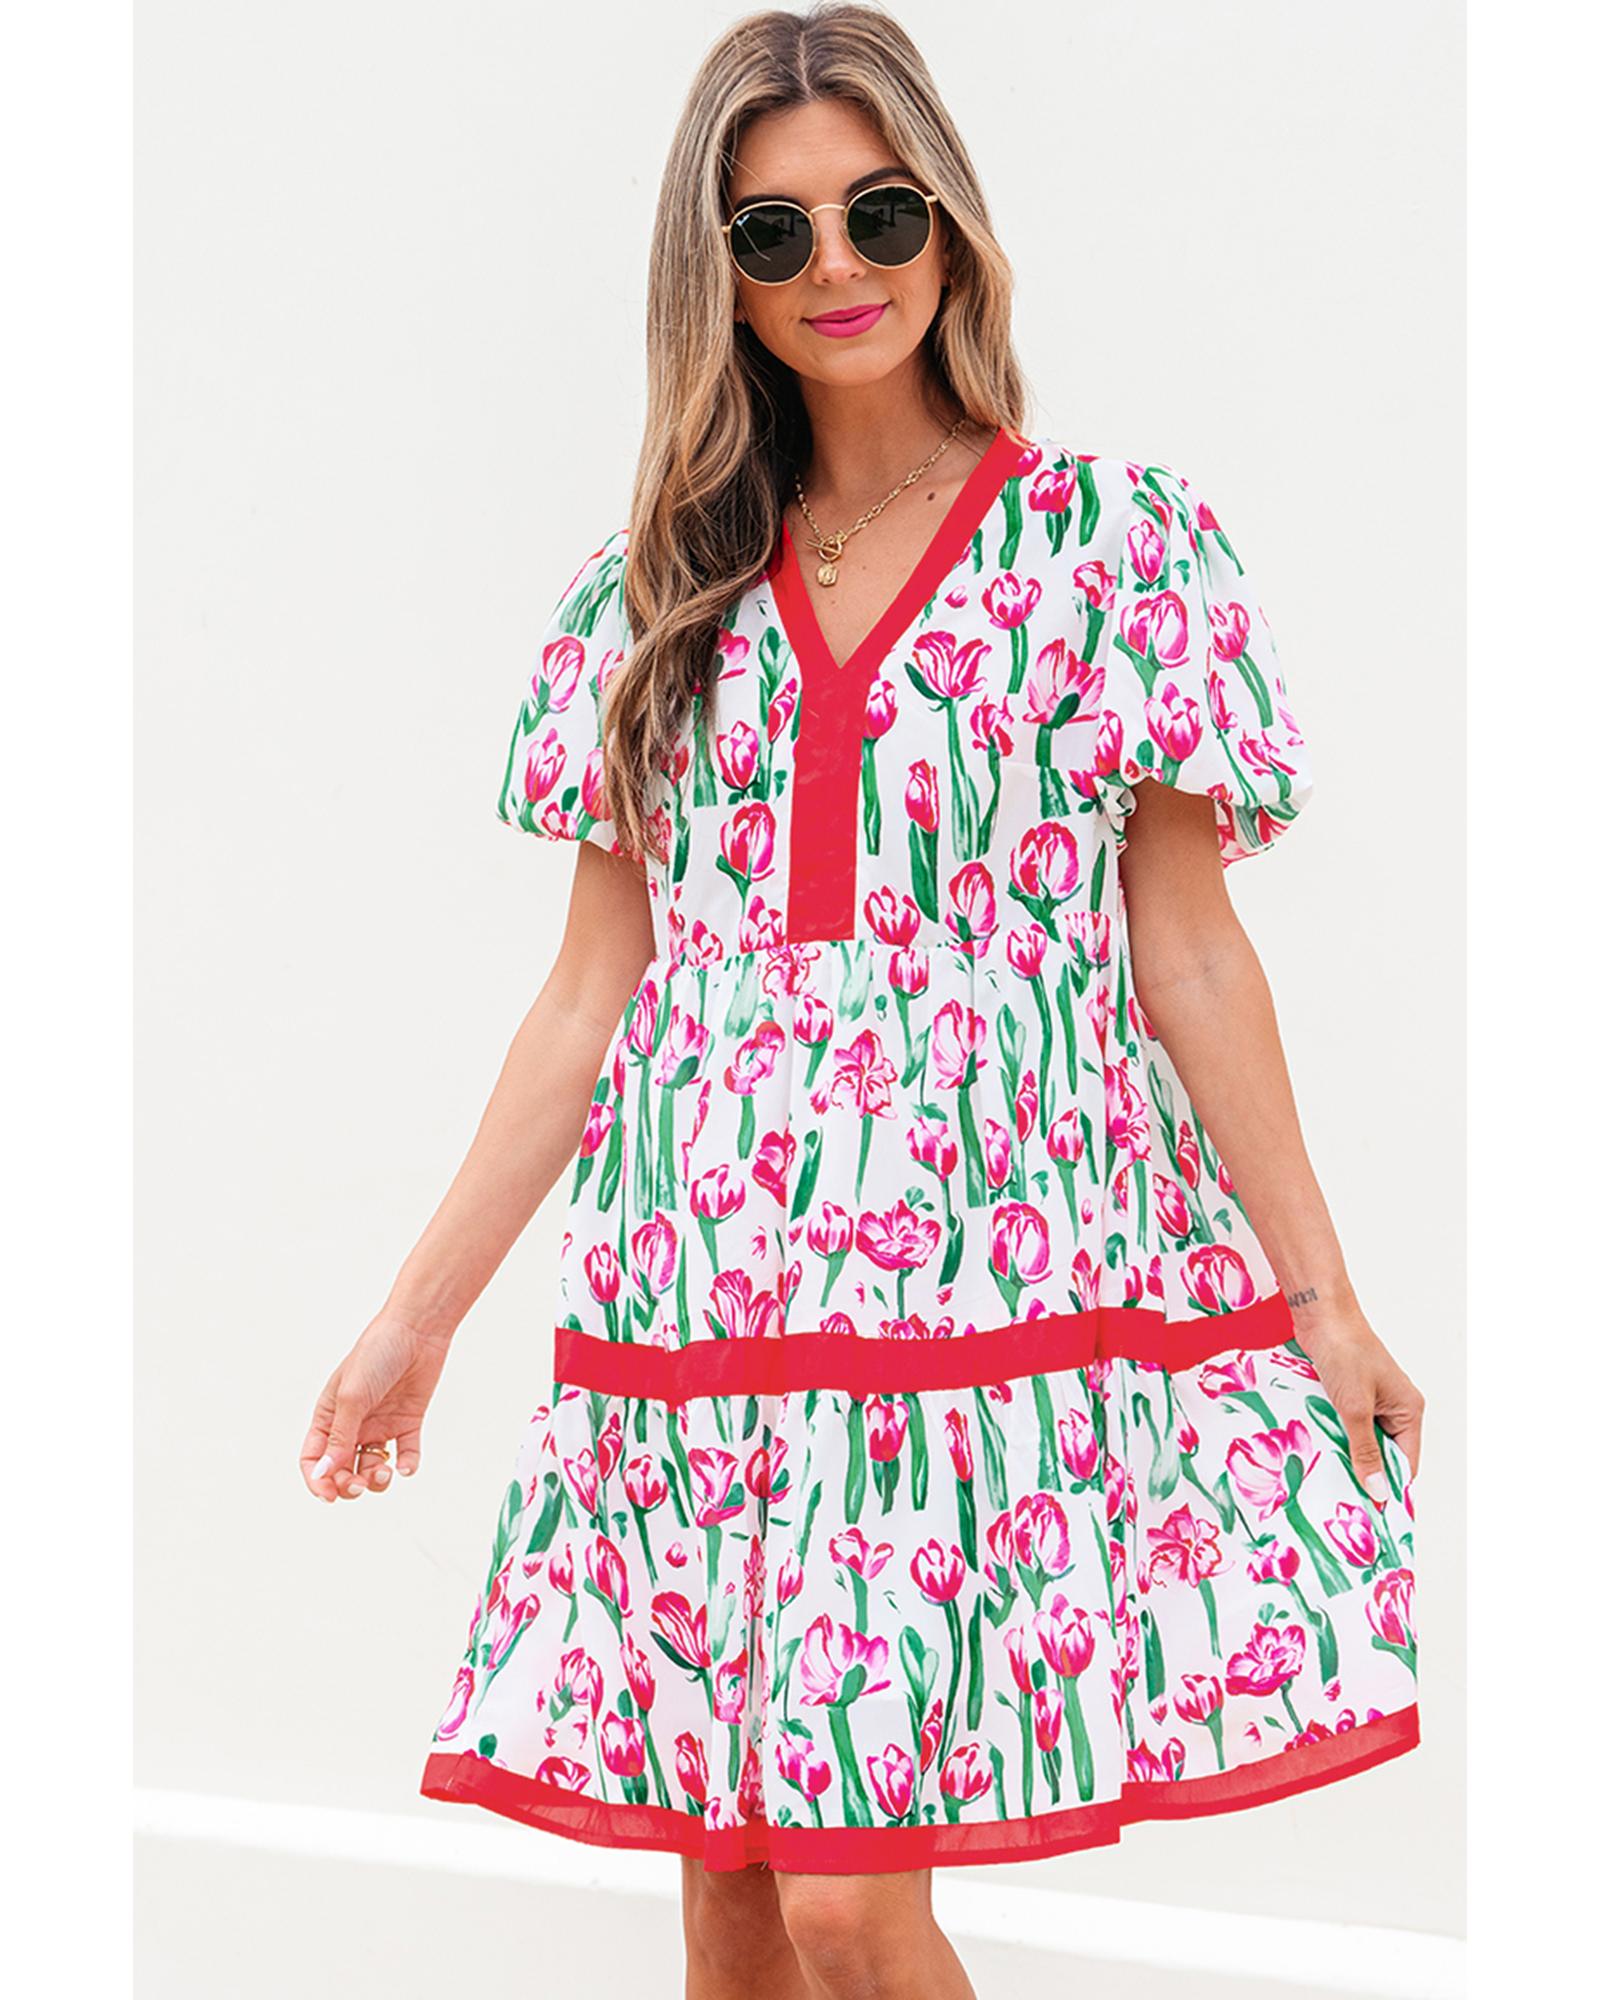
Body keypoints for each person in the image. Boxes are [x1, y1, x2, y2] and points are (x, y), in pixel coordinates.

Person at [299, 5, 1426, 1994]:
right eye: (774, 232)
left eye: (877, 211)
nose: (836, 264)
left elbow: (1184, 950)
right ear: (715, 277)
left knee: (844, 1900)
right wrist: (416, 1317)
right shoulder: (650, 600)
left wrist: (1319, 1292)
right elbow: (589, 1000)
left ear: (949, 226)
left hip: (968, 1307)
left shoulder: (1112, 549)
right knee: (734, 1900)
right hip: (698, 1297)